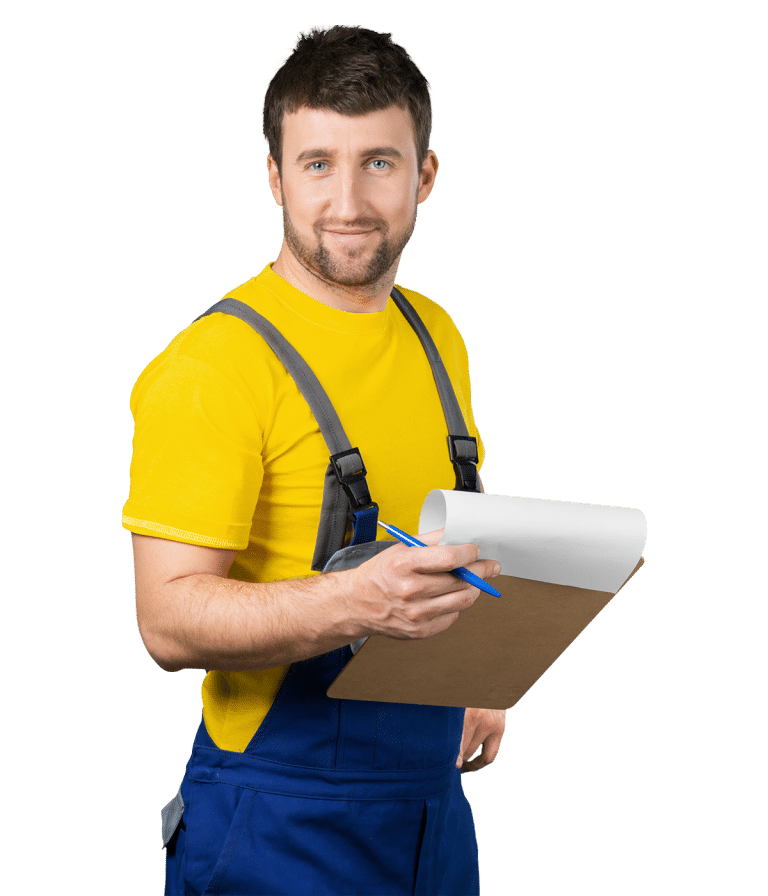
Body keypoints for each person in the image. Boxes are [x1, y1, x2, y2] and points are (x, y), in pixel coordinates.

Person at [124, 24, 506, 895]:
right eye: (317, 164)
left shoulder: (436, 333)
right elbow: (166, 623)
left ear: (426, 175)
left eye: (378, 161)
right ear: (274, 178)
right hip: (275, 822)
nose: (348, 202)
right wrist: (351, 601)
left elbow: (456, 530)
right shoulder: (213, 368)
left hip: (431, 811)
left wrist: (482, 675)